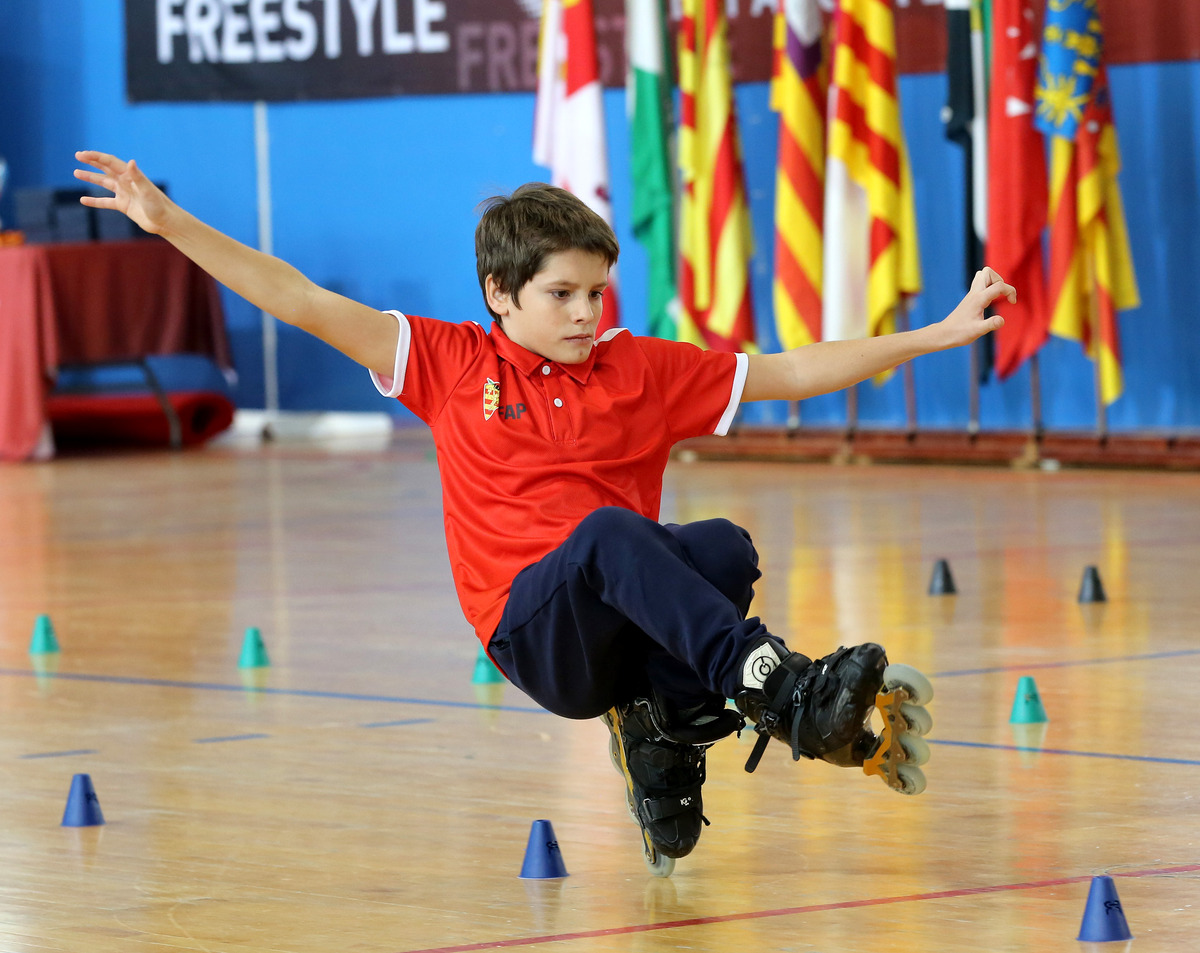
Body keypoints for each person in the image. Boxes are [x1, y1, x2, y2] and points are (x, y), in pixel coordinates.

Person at [74, 150, 1016, 873]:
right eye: (561, 294)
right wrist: (167, 223)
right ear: (498, 294)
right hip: (533, 635)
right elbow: (299, 296)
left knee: (722, 547)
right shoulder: (448, 364)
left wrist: (935, 333)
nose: (583, 312)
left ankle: (665, 727)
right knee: (609, 534)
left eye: (596, 292)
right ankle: (776, 687)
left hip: (620, 611)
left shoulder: (639, 366)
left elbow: (791, 369)